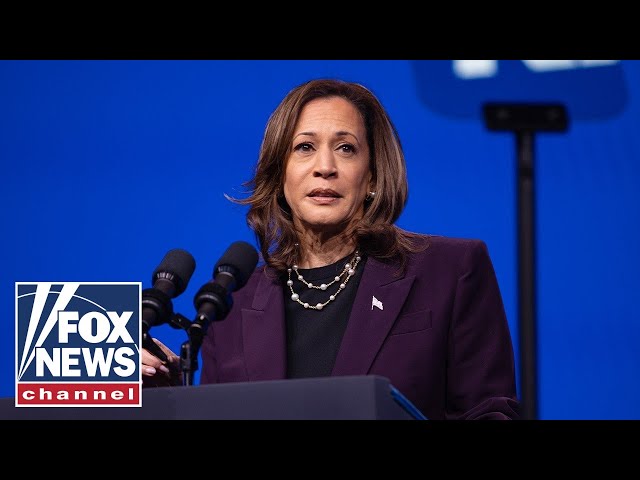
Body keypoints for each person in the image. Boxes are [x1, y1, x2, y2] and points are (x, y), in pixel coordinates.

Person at [142, 78, 521, 420]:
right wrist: (171, 400)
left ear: (371, 176)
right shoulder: (232, 305)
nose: (325, 166)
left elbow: (491, 413)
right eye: (304, 147)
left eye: (345, 148)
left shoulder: (450, 270)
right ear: (279, 175)